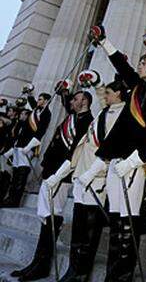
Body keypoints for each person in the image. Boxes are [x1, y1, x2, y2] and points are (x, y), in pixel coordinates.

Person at [88, 24, 146, 281]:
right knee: (115, 217)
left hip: (134, 161)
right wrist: (105, 41)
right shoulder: (137, 86)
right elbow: (121, 66)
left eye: (144, 63)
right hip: (117, 157)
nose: (139, 67)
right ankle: (113, 274)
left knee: (128, 219)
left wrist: (137, 158)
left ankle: (122, 276)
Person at [10, 90, 93, 281]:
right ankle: (37, 261)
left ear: (84, 101)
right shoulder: (72, 117)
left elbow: (74, 152)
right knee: (45, 217)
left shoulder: (87, 120)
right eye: (72, 99)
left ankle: (43, 265)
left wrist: (58, 175)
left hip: (61, 176)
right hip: (50, 172)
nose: (72, 101)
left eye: (76, 99)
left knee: (52, 216)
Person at [62, 81, 127, 282]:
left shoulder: (122, 114)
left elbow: (112, 147)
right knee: (78, 230)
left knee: (89, 232)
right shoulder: (105, 111)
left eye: (108, 93)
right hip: (82, 173)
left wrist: (93, 173)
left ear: (118, 93)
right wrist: (97, 80)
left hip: (96, 176)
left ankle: (81, 274)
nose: (104, 96)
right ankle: (73, 271)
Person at [2, 90, 52, 207]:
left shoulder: (46, 114)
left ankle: (15, 200)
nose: (38, 101)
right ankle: (9, 197)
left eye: (41, 99)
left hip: (28, 147)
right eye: (38, 99)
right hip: (19, 145)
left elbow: (40, 132)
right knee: (16, 172)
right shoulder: (36, 111)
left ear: (46, 101)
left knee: (22, 173)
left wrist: (29, 147)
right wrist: (29, 94)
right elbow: (33, 103)